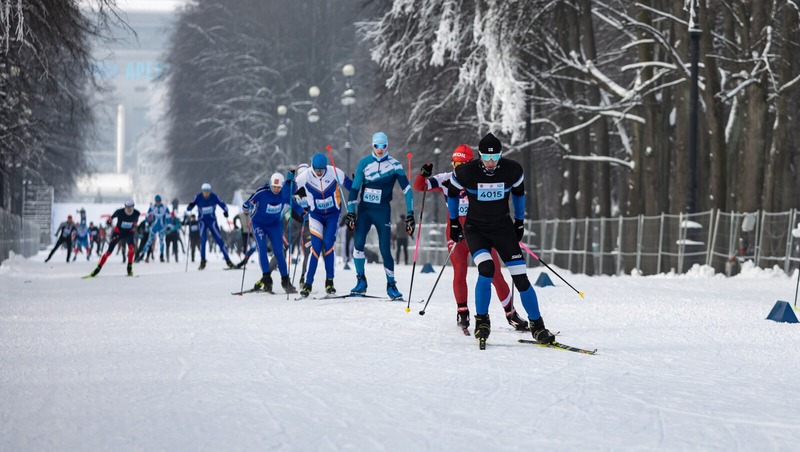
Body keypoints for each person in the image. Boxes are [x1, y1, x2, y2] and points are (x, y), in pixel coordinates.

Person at [445, 132, 555, 345]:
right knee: (486, 270)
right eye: (487, 157)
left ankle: (538, 326)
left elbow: (519, 194)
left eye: (495, 157)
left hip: (503, 229)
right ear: (480, 155)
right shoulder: (465, 172)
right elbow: (451, 194)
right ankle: (482, 321)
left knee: (521, 278)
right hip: (476, 230)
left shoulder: (512, 170)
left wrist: (520, 221)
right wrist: (455, 222)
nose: (491, 162)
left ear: (501, 155)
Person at [413, 144, 529, 332]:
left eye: (462, 164)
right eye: (455, 163)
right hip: (457, 234)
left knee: (495, 273)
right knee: (460, 270)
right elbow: (420, 187)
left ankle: (511, 313)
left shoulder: (479, 177)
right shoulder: (446, 179)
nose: (458, 168)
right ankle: (463, 311)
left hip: (482, 231)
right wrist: (423, 174)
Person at [345, 132, 415, 300]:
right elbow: (355, 189)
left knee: (385, 248)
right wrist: (350, 211)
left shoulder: (395, 165)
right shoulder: (364, 163)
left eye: (383, 146)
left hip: (382, 211)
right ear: (372, 146)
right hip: (365, 211)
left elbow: (407, 189)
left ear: (387, 146)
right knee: (359, 243)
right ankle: (361, 281)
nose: (380, 149)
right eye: (377, 146)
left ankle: (391, 285)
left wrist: (411, 214)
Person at [292, 153, 353, 297]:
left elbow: (350, 185)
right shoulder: (305, 176)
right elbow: (290, 194)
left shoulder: (333, 171)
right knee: (316, 247)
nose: (319, 172)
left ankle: (329, 281)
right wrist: (302, 207)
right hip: (316, 216)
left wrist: (356, 185)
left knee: (328, 245)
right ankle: (308, 284)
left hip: (333, 215)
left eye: (322, 169)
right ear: (312, 167)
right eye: (317, 169)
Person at [244, 172, 304, 293]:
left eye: (278, 187)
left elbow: (295, 205)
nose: (276, 190)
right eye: (274, 187)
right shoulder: (262, 192)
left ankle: (285, 280)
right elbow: (249, 202)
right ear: (270, 184)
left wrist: (304, 213)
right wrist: (247, 206)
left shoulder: (284, 193)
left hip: (274, 225)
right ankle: (266, 278)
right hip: (259, 224)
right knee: (262, 248)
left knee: (279, 252)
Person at [185, 182, 234, 269]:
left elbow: (223, 204)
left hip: (212, 221)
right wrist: (190, 205)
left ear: (210, 191)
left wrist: (226, 211)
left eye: (207, 191)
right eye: (204, 191)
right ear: (202, 191)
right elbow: (189, 208)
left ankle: (228, 261)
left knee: (219, 240)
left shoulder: (214, 196)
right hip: (202, 222)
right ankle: (203, 261)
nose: (206, 193)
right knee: (203, 240)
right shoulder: (198, 197)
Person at [88, 200, 141, 277]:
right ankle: (98, 268)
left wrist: (135, 225)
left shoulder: (137, 213)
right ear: (125, 207)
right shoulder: (119, 212)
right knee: (109, 252)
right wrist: (109, 221)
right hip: (118, 233)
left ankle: (129, 268)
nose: (129, 209)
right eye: (127, 208)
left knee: (131, 248)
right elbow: (110, 219)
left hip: (129, 233)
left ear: (133, 207)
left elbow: (135, 221)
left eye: (131, 208)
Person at [136, 194, 170, 262]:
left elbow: (168, 217)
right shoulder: (152, 207)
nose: (158, 202)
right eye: (157, 201)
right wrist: (147, 224)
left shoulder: (165, 207)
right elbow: (147, 216)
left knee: (161, 242)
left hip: (161, 227)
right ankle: (142, 255)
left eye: (159, 201)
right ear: (155, 201)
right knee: (149, 242)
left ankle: (161, 256)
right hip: (154, 227)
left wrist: (168, 225)